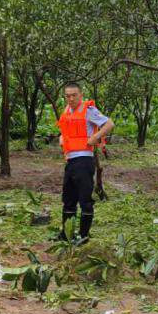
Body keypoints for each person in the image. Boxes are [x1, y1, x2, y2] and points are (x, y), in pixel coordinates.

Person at [57, 82, 113, 244]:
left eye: (74, 95)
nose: (71, 98)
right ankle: (66, 234)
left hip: (84, 160)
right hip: (71, 161)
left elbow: (109, 124)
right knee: (68, 199)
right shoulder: (66, 111)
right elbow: (64, 132)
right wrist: (62, 139)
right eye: (68, 95)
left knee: (84, 199)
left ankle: (83, 236)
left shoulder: (88, 110)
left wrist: (96, 137)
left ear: (80, 95)